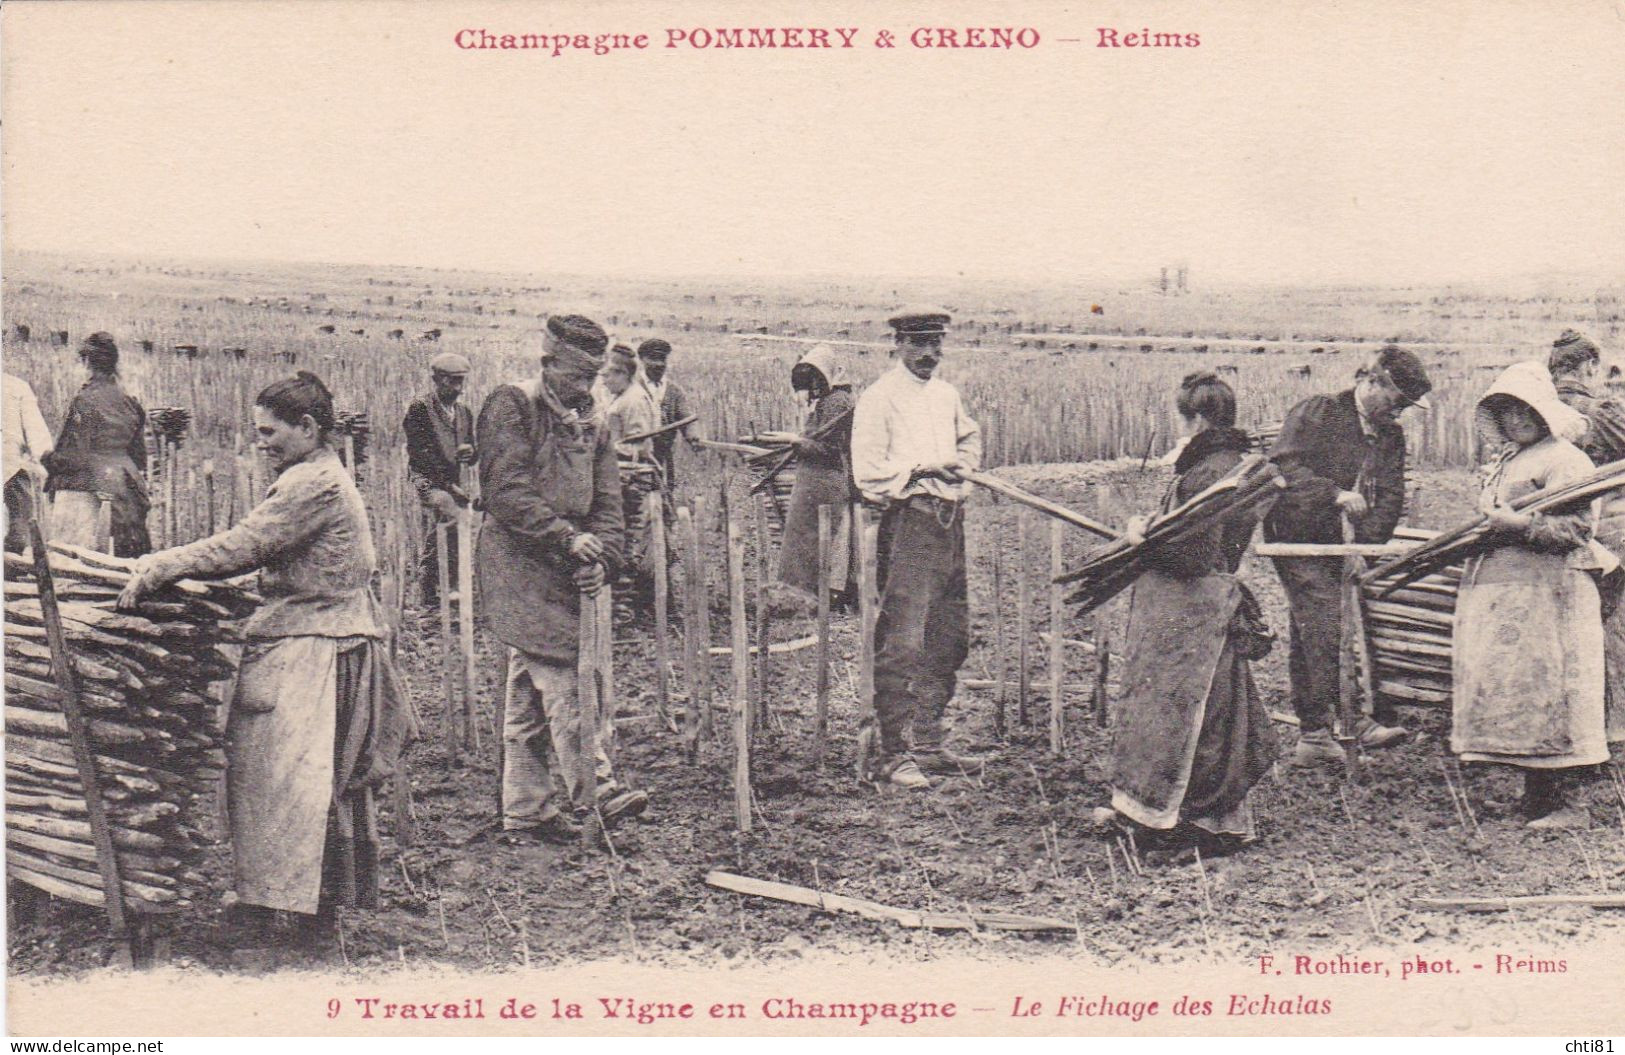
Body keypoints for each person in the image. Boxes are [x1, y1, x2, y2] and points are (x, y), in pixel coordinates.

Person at [118, 371, 416, 946]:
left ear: (307, 428)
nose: (262, 442)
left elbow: (244, 546)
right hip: (314, 637)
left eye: (270, 432)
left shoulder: (315, 484)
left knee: (296, 785)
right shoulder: (314, 474)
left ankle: (300, 916)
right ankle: (280, 904)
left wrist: (162, 565)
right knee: (287, 784)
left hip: (314, 648)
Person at [477, 314, 649, 845]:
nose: (584, 387)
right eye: (574, 376)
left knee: (529, 689)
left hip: (569, 568)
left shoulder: (592, 420)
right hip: (521, 564)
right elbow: (506, 492)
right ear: (548, 362)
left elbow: (608, 501)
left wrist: (605, 557)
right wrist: (565, 539)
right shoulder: (513, 405)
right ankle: (596, 789)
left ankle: (526, 811)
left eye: (591, 377)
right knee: (563, 673)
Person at [1095, 372, 1277, 854]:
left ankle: (1191, 823)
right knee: (1210, 715)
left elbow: (1192, 557)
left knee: (1191, 721)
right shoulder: (1236, 466)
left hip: (1192, 616)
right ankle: (1179, 816)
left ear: (1195, 419)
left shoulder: (1209, 473)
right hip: (1205, 611)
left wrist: (1142, 537)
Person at [1453, 361, 1610, 829]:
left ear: (1543, 414)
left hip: (1553, 594)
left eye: (1524, 414)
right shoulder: (1510, 459)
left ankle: (1571, 805)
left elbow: (1579, 529)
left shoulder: (1565, 459)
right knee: (1525, 694)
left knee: (1559, 691)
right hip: (1515, 597)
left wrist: (1520, 525)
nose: (1515, 423)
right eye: (1506, 415)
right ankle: (1536, 797)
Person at [1264, 346, 1431, 766]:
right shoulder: (1319, 412)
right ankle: (1332, 727)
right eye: (1397, 402)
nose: (1399, 413)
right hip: (1299, 537)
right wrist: (1335, 495)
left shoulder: (1390, 435)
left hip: (1347, 544)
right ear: (1372, 382)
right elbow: (1284, 470)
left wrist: (1365, 549)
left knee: (1321, 627)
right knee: (1323, 624)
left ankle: (1325, 730)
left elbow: (1392, 496)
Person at [850, 305, 985, 789]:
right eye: (919, 344)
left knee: (950, 636)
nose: (929, 353)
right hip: (909, 522)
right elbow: (867, 471)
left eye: (935, 344)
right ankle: (893, 752)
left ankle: (928, 741)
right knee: (903, 640)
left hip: (951, 522)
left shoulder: (947, 395)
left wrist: (960, 468)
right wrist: (926, 470)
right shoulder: (879, 398)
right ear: (899, 345)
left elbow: (969, 439)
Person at [1548, 329, 1625, 747]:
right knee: (1614, 624)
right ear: (1591, 367)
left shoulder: (1533, 412)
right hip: (1608, 533)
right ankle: (1614, 725)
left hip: (1546, 535)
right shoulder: (1602, 412)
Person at [761, 344, 858, 604]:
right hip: (814, 481)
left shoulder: (837, 402)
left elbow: (829, 448)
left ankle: (814, 594)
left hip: (826, 481)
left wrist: (793, 439)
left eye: (815, 378)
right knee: (806, 537)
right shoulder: (829, 401)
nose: (812, 385)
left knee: (819, 536)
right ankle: (804, 593)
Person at [43, 332, 151, 557]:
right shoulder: (130, 401)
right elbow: (140, 456)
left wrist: (48, 460)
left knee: (73, 557)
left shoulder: (84, 400)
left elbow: (73, 456)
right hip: (126, 486)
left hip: (89, 485)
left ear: (87, 363)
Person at [401, 352, 476, 608]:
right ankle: (429, 577)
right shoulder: (420, 409)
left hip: (452, 482)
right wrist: (450, 487)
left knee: (462, 517)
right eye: (451, 381)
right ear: (436, 380)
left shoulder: (464, 413)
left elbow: (473, 451)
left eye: (460, 381)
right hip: (425, 479)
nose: (457, 388)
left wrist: (471, 453)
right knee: (450, 511)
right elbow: (421, 455)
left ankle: (451, 579)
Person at [635, 339, 703, 490]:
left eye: (662, 359)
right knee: (638, 494)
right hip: (636, 453)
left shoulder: (674, 391)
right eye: (653, 359)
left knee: (665, 492)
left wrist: (693, 435)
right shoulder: (632, 387)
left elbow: (686, 417)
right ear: (642, 360)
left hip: (663, 453)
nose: (659, 364)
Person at [3, 372, 53, 552]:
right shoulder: (16, 386)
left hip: (10, 468)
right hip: (10, 468)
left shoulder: (17, 387)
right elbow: (38, 438)